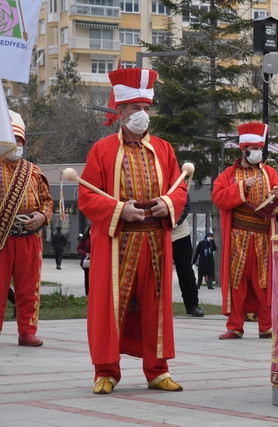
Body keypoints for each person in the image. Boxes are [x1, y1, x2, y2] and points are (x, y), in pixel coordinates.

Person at [77, 68, 188, 394]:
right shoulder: (102, 150)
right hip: (118, 241)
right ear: (121, 112)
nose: (143, 115)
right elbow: (87, 195)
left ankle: (157, 371)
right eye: (136, 109)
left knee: (155, 306)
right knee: (112, 305)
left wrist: (167, 203)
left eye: (147, 109)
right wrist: (118, 209)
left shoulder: (165, 150)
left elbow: (179, 188)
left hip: (155, 240)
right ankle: (106, 371)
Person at [212, 122, 278, 340]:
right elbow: (219, 198)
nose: (257, 153)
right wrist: (242, 188)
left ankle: (266, 325)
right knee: (237, 280)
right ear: (243, 150)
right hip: (238, 236)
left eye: (260, 149)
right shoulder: (229, 174)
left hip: (263, 235)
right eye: (253, 149)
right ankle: (235, 326)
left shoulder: (270, 172)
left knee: (263, 281)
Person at [0, 110, 54, 347]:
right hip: (2, 237)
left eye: (20, 141)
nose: (17, 145)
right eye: (13, 140)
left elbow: (48, 202)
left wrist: (42, 217)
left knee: (29, 287)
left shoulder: (34, 171)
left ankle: (27, 331)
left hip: (30, 237)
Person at [172, 195, 204, 317]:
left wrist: (175, 221)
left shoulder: (178, 180)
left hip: (179, 232)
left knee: (185, 269)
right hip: (157, 229)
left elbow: (185, 204)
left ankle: (192, 305)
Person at [76, 226, 91, 296]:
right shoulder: (85, 238)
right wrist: (85, 253)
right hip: (87, 261)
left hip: (96, 261)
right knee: (87, 277)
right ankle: (87, 292)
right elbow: (79, 249)